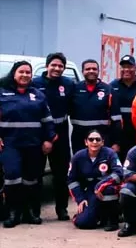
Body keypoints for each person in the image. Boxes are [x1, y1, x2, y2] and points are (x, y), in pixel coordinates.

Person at [0, 60, 55, 227]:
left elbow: (47, 120)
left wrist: (48, 139)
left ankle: (30, 212)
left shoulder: (38, 95)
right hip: (11, 144)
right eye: (21, 72)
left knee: (32, 179)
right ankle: (13, 213)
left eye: (28, 72)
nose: (25, 75)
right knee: (12, 176)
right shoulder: (2, 93)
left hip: (33, 144)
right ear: (14, 74)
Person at [33, 52, 76, 220]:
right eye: (54, 65)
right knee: (36, 174)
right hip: (39, 133)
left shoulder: (68, 84)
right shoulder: (35, 83)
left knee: (61, 174)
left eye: (60, 66)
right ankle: (34, 211)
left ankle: (62, 209)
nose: (57, 68)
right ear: (47, 66)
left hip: (61, 132)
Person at [68, 130, 124, 231]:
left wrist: (101, 185)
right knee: (83, 223)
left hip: (108, 187)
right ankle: (99, 215)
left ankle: (112, 219)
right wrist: (80, 199)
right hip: (90, 190)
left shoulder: (110, 154)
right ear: (86, 142)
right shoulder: (78, 157)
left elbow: (119, 173)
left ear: (102, 142)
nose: (94, 142)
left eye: (98, 139)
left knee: (109, 190)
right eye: (91, 139)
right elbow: (71, 180)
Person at [70, 58, 121, 155]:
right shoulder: (74, 89)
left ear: (98, 71)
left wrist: (116, 142)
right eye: (88, 69)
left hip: (102, 138)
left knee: (102, 167)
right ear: (82, 71)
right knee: (80, 166)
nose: (91, 71)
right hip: (79, 138)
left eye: (94, 69)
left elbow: (117, 120)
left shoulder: (108, 89)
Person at [110, 54, 136, 161]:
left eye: (130, 67)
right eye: (123, 67)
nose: (126, 69)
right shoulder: (112, 86)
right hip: (118, 137)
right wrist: (113, 141)